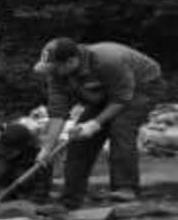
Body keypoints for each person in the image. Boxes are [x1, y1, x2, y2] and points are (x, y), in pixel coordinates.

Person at [30, 37, 165, 209]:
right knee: (78, 138)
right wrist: (47, 149)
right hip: (108, 94)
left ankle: (126, 189)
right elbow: (58, 113)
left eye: (55, 67)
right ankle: (71, 198)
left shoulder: (106, 60)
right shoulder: (57, 75)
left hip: (143, 86)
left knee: (121, 127)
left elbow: (121, 99)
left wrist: (95, 124)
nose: (51, 72)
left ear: (71, 61)